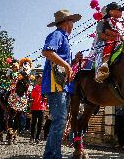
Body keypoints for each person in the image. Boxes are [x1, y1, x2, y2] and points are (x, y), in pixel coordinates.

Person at [41, 9, 82, 159]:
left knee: (60, 121)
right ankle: (52, 156)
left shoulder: (64, 38)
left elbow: (61, 63)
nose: (73, 24)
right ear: (66, 22)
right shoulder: (57, 34)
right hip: (55, 84)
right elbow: (47, 52)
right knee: (59, 120)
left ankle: (52, 154)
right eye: (72, 21)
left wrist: (74, 61)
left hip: (61, 84)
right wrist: (68, 65)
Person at [95, 2, 124, 83]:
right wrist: (116, 36)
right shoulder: (107, 21)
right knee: (110, 44)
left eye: (121, 11)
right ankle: (104, 65)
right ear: (111, 12)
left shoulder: (121, 22)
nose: (121, 12)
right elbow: (106, 31)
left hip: (123, 39)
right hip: (113, 39)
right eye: (119, 10)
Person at [30, 74, 46, 143]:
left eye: (41, 78)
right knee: (33, 123)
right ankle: (32, 137)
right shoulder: (34, 88)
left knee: (40, 124)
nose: (40, 79)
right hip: (34, 108)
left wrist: (45, 98)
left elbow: (47, 97)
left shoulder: (45, 88)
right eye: (39, 78)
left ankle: (37, 138)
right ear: (37, 79)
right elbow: (32, 97)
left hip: (42, 108)